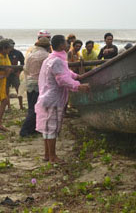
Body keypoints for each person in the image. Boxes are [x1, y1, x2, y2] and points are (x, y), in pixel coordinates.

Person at [35, 35, 90, 163]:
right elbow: (62, 79)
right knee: (52, 128)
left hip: (48, 97)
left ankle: (47, 154)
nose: (68, 43)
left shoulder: (52, 58)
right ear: (61, 45)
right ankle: (53, 157)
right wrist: (78, 86)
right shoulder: (56, 61)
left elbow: (67, 73)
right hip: (53, 99)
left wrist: (78, 76)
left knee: (47, 127)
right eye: (66, 42)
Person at [19, 37, 51, 137]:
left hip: (30, 82)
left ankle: (32, 128)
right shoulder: (47, 56)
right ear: (47, 46)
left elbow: (26, 69)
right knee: (37, 108)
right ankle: (24, 130)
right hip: (40, 84)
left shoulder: (31, 55)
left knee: (31, 107)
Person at [6, 39, 25, 110]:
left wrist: (19, 72)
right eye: (9, 45)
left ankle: (21, 106)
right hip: (6, 74)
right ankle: (8, 107)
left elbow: (23, 63)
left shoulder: (17, 53)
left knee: (18, 90)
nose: (11, 47)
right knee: (6, 91)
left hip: (14, 74)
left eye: (12, 45)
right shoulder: (5, 53)